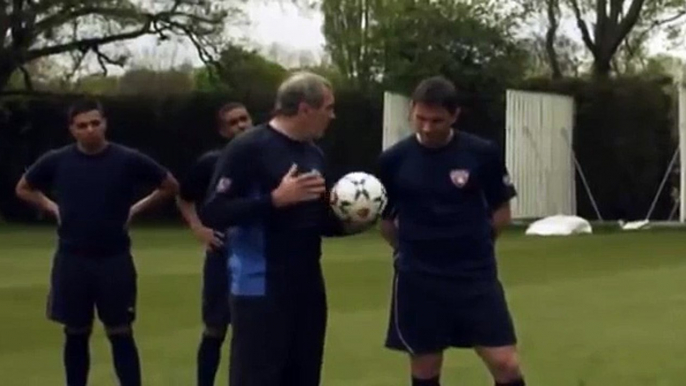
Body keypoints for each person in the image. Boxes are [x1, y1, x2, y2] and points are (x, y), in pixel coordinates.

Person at [199, 72, 369, 386]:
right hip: (260, 287)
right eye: (328, 107)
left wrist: (353, 220)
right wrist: (274, 200)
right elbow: (213, 211)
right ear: (305, 109)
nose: (333, 115)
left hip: (307, 287)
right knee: (257, 378)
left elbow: (315, 220)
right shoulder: (247, 148)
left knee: (303, 377)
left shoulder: (313, 152)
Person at [15, 98, 179, 386]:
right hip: (72, 259)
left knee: (120, 333)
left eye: (95, 123)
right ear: (72, 129)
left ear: (105, 123)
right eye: (82, 125)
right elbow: (24, 188)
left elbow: (169, 185)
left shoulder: (127, 159)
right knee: (76, 333)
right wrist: (52, 207)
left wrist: (136, 209)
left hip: (114, 259)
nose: (90, 130)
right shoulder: (57, 160)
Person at [377, 76, 526, 386]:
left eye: (437, 120)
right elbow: (387, 222)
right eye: (420, 118)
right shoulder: (393, 160)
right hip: (419, 279)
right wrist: (407, 251)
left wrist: (478, 245)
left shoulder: (482, 153)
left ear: (454, 116)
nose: (428, 128)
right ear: (411, 112)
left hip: (474, 275)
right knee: (426, 367)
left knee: (506, 363)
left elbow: (501, 212)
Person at [175, 102, 253, 386]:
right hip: (222, 255)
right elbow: (184, 197)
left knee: (255, 334)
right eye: (233, 122)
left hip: (259, 257)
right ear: (223, 131)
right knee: (215, 329)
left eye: (244, 119)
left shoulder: (268, 157)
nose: (241, 125)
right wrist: (199, 228)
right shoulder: (211, 163)